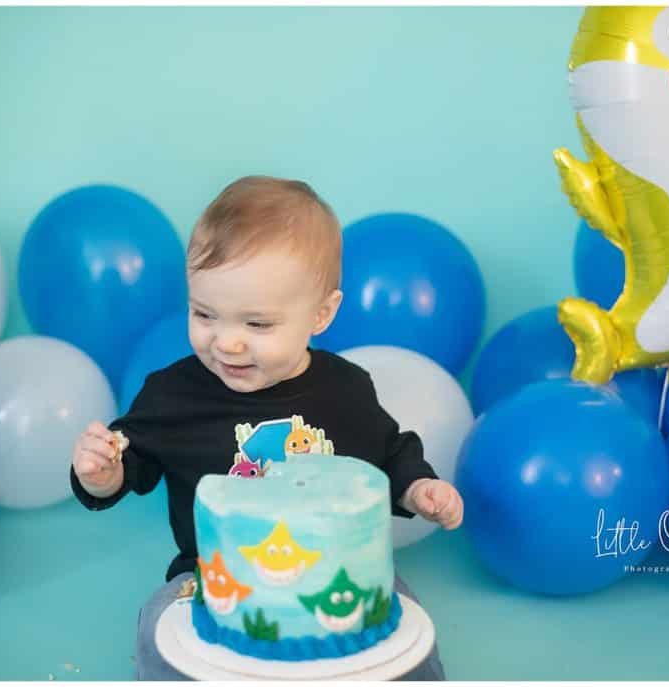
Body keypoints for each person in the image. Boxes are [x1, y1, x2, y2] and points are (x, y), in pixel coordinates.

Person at [70, 175, 463, 680]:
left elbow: (388, 453)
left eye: (257, 325)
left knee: (404, 620)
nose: (227, 343)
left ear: (321, 314)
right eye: (205, 314)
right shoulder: (172, 393)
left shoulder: (346, 389)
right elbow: (132, 457)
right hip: (213, 576)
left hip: (335, 569)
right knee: (157, 624)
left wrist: (417, 489)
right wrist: (103, 474)